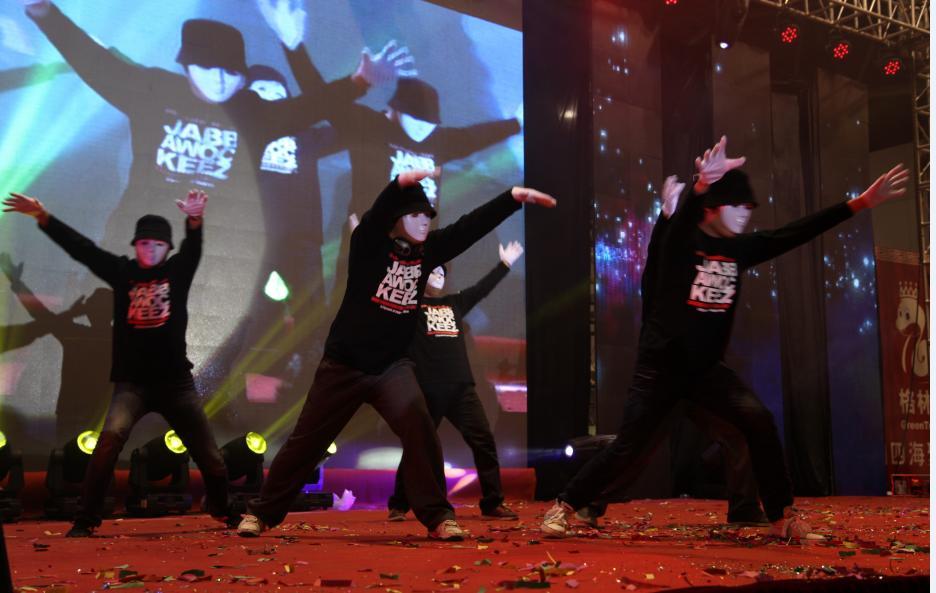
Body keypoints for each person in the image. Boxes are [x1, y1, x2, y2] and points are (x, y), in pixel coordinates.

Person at [540, 136, 909, 539]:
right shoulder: (684, 244)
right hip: (661, 369)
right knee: (629, 446)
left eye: (749, 208)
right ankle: (565, 505)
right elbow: (674, 234)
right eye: (737, 206)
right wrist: (700, 186)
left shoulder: (739, 250)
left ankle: (782, 516)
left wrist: (860, 203)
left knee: (758, 420)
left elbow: (794, 233)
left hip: (705, 371)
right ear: (712, 209)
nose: (745, 214)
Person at [236, 170, 555, 541]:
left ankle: (439, 517)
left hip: (391, 367)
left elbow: (469, 228)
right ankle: (261, 514)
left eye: (427, 215)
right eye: (415, 214)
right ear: (397, 218)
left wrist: (511, 198)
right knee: (306, 442)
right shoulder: (369, 243)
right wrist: (398, 184)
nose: (424, 221)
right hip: (344, 365)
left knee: (420, 426)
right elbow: (375, 216)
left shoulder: (428, 251)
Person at [2, 189, 238, 537]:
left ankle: (222, 509)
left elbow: (193, 249)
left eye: (157, 244)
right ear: (135, 246)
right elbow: (83, 249)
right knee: (107, 445)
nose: (150, 250)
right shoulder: (123, 273)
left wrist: (194, 219)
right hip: (132, 386)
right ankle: (86, 519)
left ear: (167, 248)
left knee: (210, 456)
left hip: (176, 385)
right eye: (144, 244)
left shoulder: (176, 273)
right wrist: (43, 217)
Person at [385, 241, 525, 522]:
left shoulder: (454, 303)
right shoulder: (410, 306)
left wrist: (505, 264)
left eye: (442, 273)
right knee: (417, 446)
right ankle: (399, 503)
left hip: (461, 388)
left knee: (483, 440)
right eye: (433, 272)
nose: (438, 276)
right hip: (426, 389)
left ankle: (492, 502)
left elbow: (482, 289)